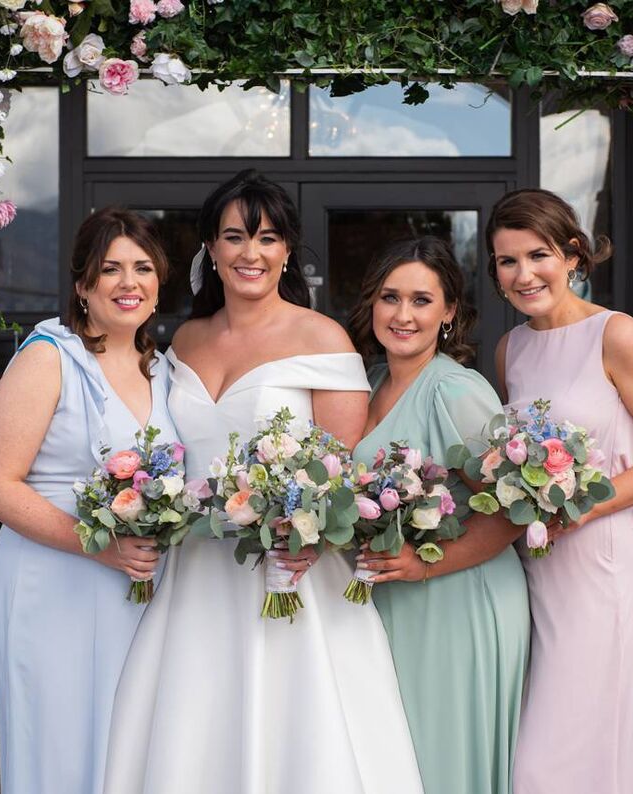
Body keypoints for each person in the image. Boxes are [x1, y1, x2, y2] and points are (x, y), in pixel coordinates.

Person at [103, 170, 422, 794]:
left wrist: (308, 537)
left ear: (287, 251)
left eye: (268, 237)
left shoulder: (321, 338)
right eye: (234, 237)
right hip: (196, 571)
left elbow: (342, 474)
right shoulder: (183, 339)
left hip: (289, 570)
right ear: (210, 249)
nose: (251, 252)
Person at [489, 189, 633, 793]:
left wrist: (581, 506)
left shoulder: (616, 333)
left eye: (539, 255)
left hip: (596, 564)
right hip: (531, 566)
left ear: (574, 255)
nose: (524, 275)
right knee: (529, 749)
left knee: (556, 759)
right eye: (507, 261)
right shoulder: (512, 348)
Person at [0, 208, 176, 793]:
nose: (128, 282)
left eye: (142, 268)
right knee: (59, 746)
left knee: (123, 748)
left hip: (133, 590)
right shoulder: (49, 356)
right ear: (83, 285)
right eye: (110, 269)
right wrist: (100, 547)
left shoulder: (161, 369)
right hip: (52, 582)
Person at [349, 237, 531, 793]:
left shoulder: (453, 390)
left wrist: (424, 564)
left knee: (444, 763)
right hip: (398, 601)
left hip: (458, 599)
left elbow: (513, 511)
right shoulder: (370, 382)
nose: (402, 315)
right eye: (390, 297)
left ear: (449, 311)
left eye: (421, 300)